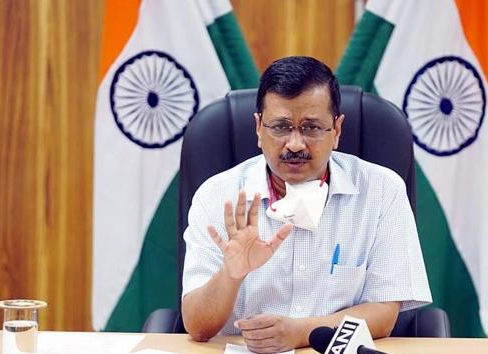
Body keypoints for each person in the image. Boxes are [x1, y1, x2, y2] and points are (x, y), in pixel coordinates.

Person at [181, 56, 431, 353]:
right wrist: (230, 275)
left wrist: (300, 332)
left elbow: (384, 312)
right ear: (258, 128)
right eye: (281, 127)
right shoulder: (217, 195)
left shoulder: (381, 190)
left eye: (311, 128)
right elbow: (197, 326)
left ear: (336, 131)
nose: (295, 144)